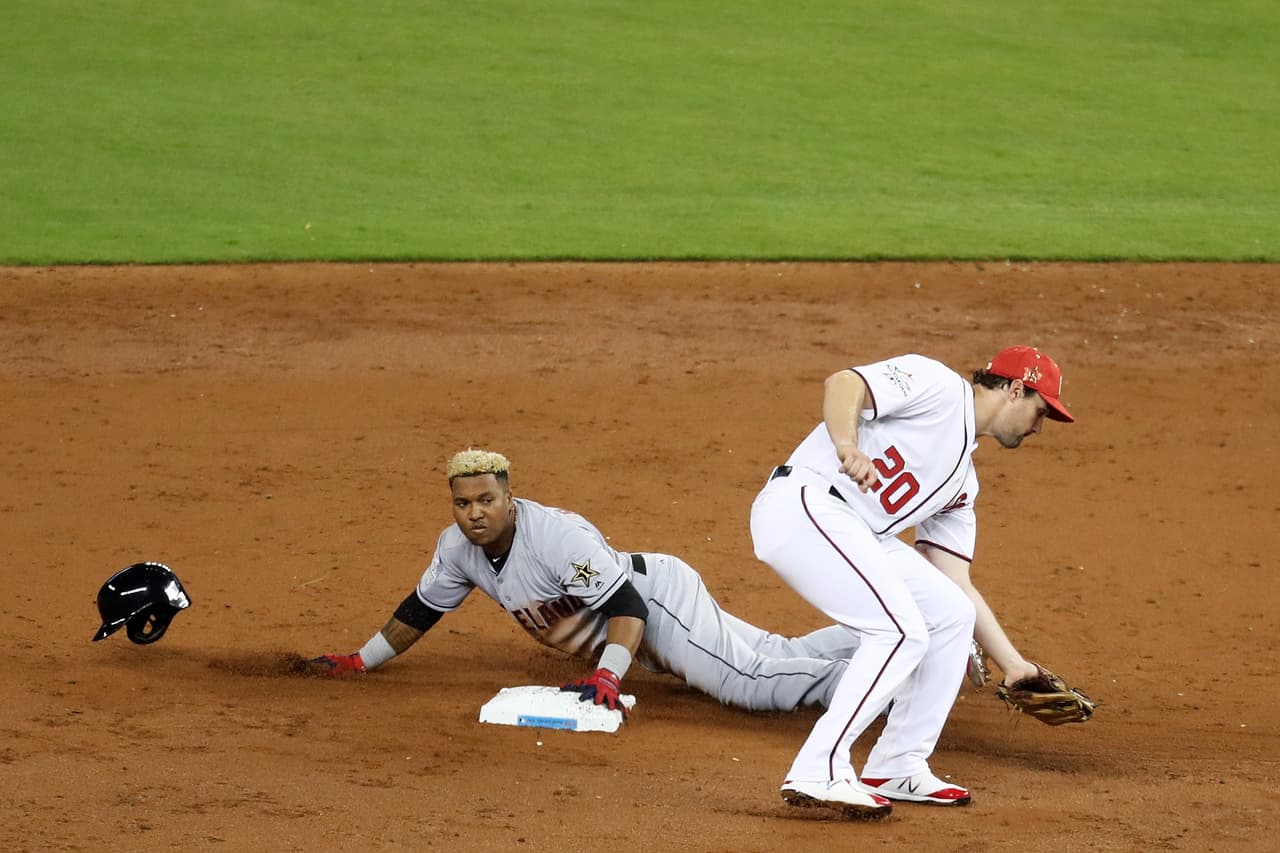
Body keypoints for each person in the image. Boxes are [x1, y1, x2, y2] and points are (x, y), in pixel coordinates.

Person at [749, 346, 1074, 820]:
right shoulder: (938, 386)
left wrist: (1014, 664)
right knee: (901, 631)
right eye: (1040, 412)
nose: (1039, 427)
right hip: (805, 502)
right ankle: (818, 768)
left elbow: (954, 579)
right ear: (1016, 389)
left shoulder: (963, 482)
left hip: (854, 529)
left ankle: (898, 763)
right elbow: (844, 383)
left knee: (949, 615)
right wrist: (846, 444)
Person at [312, 448, 862, 715]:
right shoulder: (458, 549)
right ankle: (881, 640)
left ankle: (877, 681)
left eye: (486, 499)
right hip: (646, 607)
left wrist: (607, 678)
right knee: (774, 651)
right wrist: (362, 660)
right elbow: (421, 609)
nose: (475, 513)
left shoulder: (555, 537)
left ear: (509, 498)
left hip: (654, 602)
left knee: (750, 683)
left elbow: (627, 607)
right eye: (462, 503)